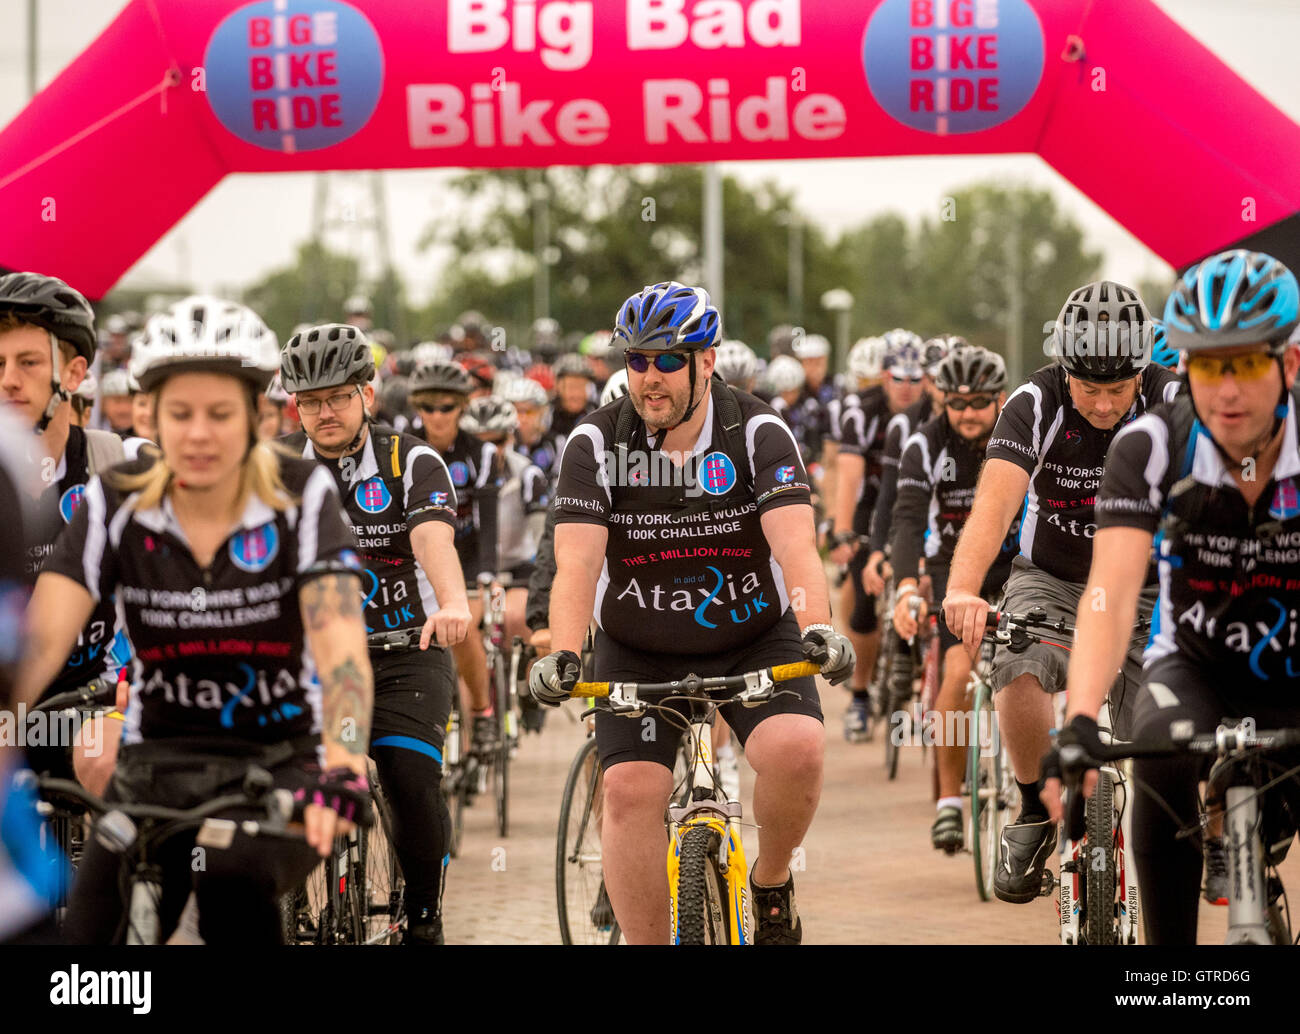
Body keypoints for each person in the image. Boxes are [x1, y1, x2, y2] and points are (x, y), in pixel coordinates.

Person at [12, 295, 375, 944]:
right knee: (92, 923)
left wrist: (345, 763)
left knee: (232, 879)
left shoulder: (300, 494)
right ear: (151, 414)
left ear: (259, 419)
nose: (199, 434)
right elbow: (38, 643)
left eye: (220, 414)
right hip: (157, 762)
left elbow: (341, 648)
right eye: (181, 414)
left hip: (282, 760)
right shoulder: (113, 502)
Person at [530, 280, 853, 945]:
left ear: (706, 361)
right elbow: (578, 565)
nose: (650, 378)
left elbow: (796, 547)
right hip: (637, 643)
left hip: (752, 635)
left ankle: (769, 883)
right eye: (637, 361)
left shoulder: (757, 429)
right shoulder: (595, 443)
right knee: (628, 791)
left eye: (668, 360)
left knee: (797, 750)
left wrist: (819, 626)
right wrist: (562, 651)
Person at [1042, 250, 1300, 944]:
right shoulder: (1154, 446)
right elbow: (1112, 592)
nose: (1228, 390)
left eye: (1246, 362)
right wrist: (1081, 720)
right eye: (1209, 366)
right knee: (1156, 762)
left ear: (1291, 364)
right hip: (1196, 666)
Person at [941, 281, 1180, 903]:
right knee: (1016, 668)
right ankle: (1033, 810)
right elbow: (993, 509)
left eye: (1118, 390)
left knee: (1170, 729)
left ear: (1143, 371)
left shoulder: (1173, 399)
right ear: (1064, 369)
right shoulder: (1034, 401)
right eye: (1089, 388)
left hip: (1147, 586)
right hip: (1052, 576)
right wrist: (964, 590)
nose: (1103, 406)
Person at [279, 322, 471, 944]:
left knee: (410, 781)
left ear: (367, 394)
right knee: (276, 778)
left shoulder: (408, 459)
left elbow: (431, 537)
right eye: (309, 401)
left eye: (336, 396)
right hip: (313, 660)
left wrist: (452, 602)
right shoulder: (275, 468)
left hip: (405, 652)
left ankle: (422, 917)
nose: (323, 412)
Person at [0, 273, 149, 786]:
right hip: (8, 704)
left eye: (28, 362)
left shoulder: (122, 462)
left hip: (100, 693)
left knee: (104, 761)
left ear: (76, 371)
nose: (8, 381)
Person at [887, 346, 1015, 851]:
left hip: (1013, 566)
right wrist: (904, 587)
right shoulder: (925, 445)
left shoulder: (1020, 436)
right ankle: (948, 802)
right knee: (959, 675)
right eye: (956, 403)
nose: (967, 413)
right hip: (951, 569)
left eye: (979, 402)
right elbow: (907, 519)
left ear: (999, 400)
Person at [830, 330, 926, 738]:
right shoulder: (860, 410)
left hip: (916, 502)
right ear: (883, 377)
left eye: (914, 378)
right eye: (897, 378)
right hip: (872, 505)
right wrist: (842, 531)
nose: (906, 388)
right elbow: (848, 473)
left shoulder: (931, 413)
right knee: (865, 606)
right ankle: (859, 696)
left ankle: (919, 687)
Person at [408, 359, 503, 757]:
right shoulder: (404, 450)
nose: (437, 415)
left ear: (463, 408)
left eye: (447, 406)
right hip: (416, 558)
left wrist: (487, 575)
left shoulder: (480, 454)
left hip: (466, 558)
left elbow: (489, 523)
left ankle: (482, 711)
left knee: (462, 631)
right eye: (428, 407)